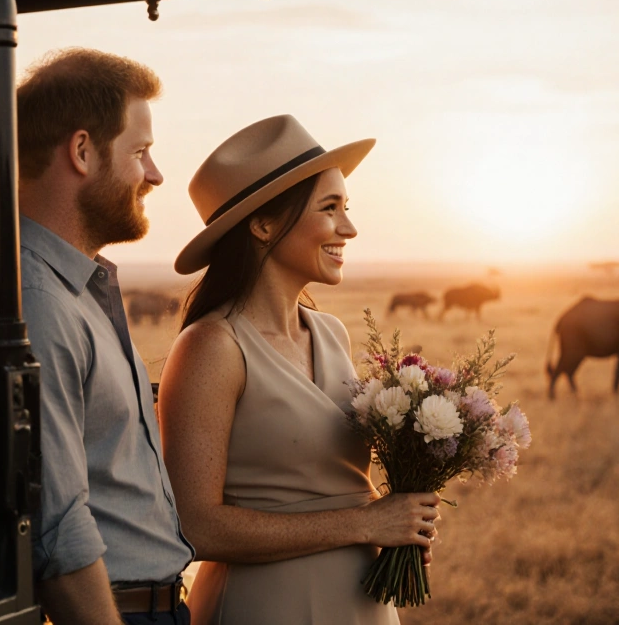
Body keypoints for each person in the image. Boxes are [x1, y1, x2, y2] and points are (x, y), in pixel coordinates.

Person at [0, 48, 193, 625]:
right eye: (140, 152)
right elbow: (54, 529)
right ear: (81, 152)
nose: (154, 174)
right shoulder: (34, 305)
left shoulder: (63, 286)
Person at [158, 115, 441, 624]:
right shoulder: (211, 347)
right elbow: (195, 527)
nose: (349, 229)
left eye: (346, 208)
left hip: (363, 605)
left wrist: (402, 524)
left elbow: (335, 481)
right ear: (263, 225)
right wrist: (366, 523)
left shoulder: (332, 334)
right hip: (267, 607)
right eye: (329, 209)